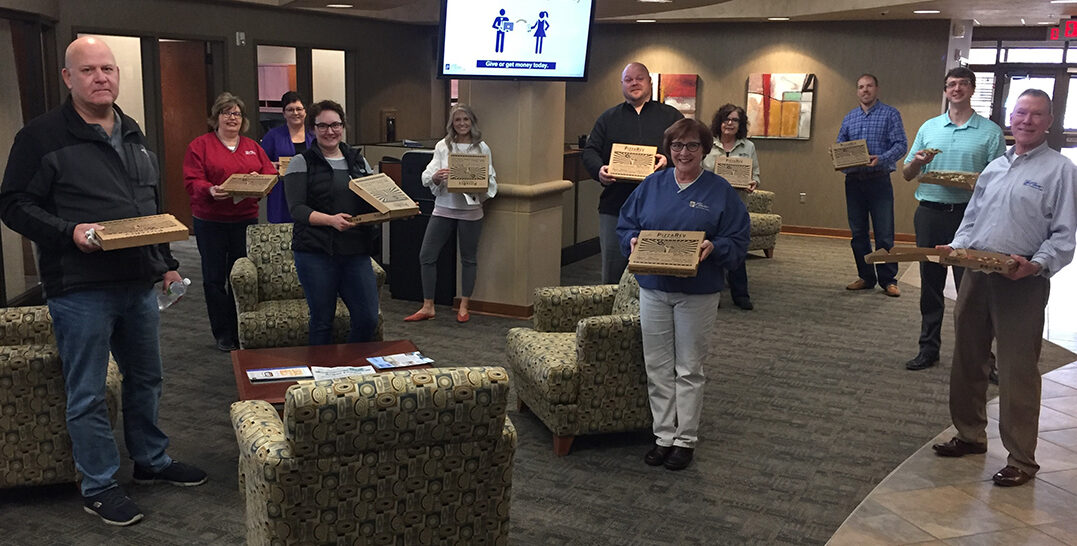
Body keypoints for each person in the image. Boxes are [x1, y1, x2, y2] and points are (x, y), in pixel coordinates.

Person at [0, 35, 206, 527]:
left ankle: (151, 462)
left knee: (146, 377)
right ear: (69, 78)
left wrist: (165, 263)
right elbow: (12, 204)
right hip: (80, 287)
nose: (101, 78)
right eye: (89, 70)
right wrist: (67, 232)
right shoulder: (41, 136)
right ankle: (99, 484)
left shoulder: (132, 131)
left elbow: (146, 209)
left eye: (108, 69)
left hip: (136, 281)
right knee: (89, 391)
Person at [931, 89, 1077, 487]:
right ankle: (969, 433)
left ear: (1049, 122)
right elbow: (972, 219)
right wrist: (956, 248)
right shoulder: (995, 167)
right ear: (1009, 117)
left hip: (1022, 281)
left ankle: (1021, 460)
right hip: (977, 274)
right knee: (967, 358)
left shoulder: (1061, 171)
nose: (1026, 120)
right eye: (1020, 112)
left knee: (1017, 371)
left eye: (1036, 115)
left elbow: (1064, 235)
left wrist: (1037, 264)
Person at [617, 119, 750, 471]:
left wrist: (715, 246)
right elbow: (627, 223)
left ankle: (685, 439)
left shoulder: (719, 190)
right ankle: (663, 435)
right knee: (657, 366)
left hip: (698, 293)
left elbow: (738, 239)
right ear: (668, 149)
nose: (683, 153)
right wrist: (630, 240)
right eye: (677, 146)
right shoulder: (652, 185)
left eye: (692, 146)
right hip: (654, 289)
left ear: (705, 149)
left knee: (689, 367)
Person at [901, 67, 1006, 371]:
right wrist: (918, 163)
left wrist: (980, 182)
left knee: (972, 291)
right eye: (951, 85)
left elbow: (999, 182)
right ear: (945, 91)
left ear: (972, 89)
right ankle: (928, 349)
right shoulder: (929, 128)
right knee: (930, 287)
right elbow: (908, 174)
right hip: (930, 214)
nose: (956, 89)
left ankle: (980, 359)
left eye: (962, 84)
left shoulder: (990, 132)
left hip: (969, 219)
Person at [183, 92, 277, 352]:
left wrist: (260, 180)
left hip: (244, 220)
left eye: (236, 113)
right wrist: (210, 190)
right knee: (214, 278)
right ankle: (222, 333)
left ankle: (241, 328)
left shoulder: (251, 146)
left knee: (240, 276)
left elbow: (269, 172)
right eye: (226, 113)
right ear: (216, 117)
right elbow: (192, 180)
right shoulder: (200, 146)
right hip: (210, 220)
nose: (232, 118)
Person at [283, 100, 380, 345]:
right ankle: (322, 378)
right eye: (323, 126)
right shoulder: (301, 162)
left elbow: (372, 200)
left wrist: (393, 210)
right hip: (316, 252)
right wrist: (330, 221)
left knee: (367, 318)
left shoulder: (359, 162)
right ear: (313, 129)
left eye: (335, 125)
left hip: (355, 251)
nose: (330, 131)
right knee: (322, 321)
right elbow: (297, 209)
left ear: (343, 126)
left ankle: (351, 371)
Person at [583, 61, 684, 284]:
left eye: (639, 78)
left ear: (649, 81)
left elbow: (690, 148)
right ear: (622, 85)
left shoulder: (671, 116)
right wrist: (599, 170)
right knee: (613, 271)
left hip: (661, 206)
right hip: (615, 205)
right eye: (628, 80)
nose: (634, 83)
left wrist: (669, 159)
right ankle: (611, 318)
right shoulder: (608, 118)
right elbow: (590, 151)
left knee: (656, 271)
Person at [405, 105, 497, 323]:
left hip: (471, 210)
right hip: (444, 207)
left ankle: (464, 305)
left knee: (468, 258)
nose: (462, 124)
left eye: (466, 119)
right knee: (426, 255)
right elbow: (428, 176)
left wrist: (480, 185)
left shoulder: (482, 148)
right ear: (451, 123)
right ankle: (428, 305)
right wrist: (436, 177)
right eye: (458, 120)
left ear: (472, 122)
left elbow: (492, 180)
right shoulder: (442, 146)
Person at [836, 73, 908, 298]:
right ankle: (866, 277)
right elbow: (840, 145)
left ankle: (888, 280)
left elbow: (901, 145)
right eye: (860, 87)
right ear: (857, 91)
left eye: (869, 86)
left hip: (879, 180)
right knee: (858, 234)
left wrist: (883, 159)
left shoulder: (890, 114)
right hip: (854, 182)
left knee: (884, 234)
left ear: (876, 89)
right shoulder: (849, 118)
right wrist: (839, 159)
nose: (865, 90)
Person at [703, 103, 759, 310]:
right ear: (720, 121)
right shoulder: (707, 143)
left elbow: (756, 174)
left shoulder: (748, 147)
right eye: (726, 119)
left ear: (740, 124)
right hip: (709, 205)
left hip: (737, 205)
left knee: (736, 250)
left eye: (735, 120)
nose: (730, 123)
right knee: (710, 248)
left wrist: (753, 182)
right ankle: (710, 293)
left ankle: (740, 295)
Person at [259, 91, 314, 223]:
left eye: (299, 109)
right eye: (290, 110)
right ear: (284, 114)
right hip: (281, 194)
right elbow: (259, 162)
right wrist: (270, 165)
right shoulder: (273, 136)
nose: (295, 113)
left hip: (310, 191)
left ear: (305, 112)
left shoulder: (314, 135)